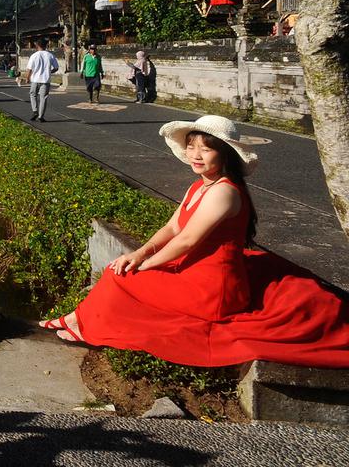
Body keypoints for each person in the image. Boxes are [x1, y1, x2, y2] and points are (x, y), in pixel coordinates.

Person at [38, 115, 349, 368]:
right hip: (198, 272)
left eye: (206, 148)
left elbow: (188, 239)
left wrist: (143, 265)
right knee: (122, 270)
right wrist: (141, 252)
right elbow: (171, 227)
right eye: (191, 146)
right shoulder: (199, 187)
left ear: (224, 153)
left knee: (120, 277)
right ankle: (78, 319)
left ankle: (81, 323)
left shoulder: (224, 191)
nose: (195, 155)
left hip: (214, 289)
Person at [25, 39, 58, 122]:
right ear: (45, 46)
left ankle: (35, 110)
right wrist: (50, 72)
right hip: (45, 80)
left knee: (33, 95)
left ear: (37, 46)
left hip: (35, 79)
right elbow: (56, 68)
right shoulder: (50, 55)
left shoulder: (34, 55)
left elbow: (29, 69)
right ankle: (41, 116)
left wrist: (27, 78)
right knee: (43, 98)